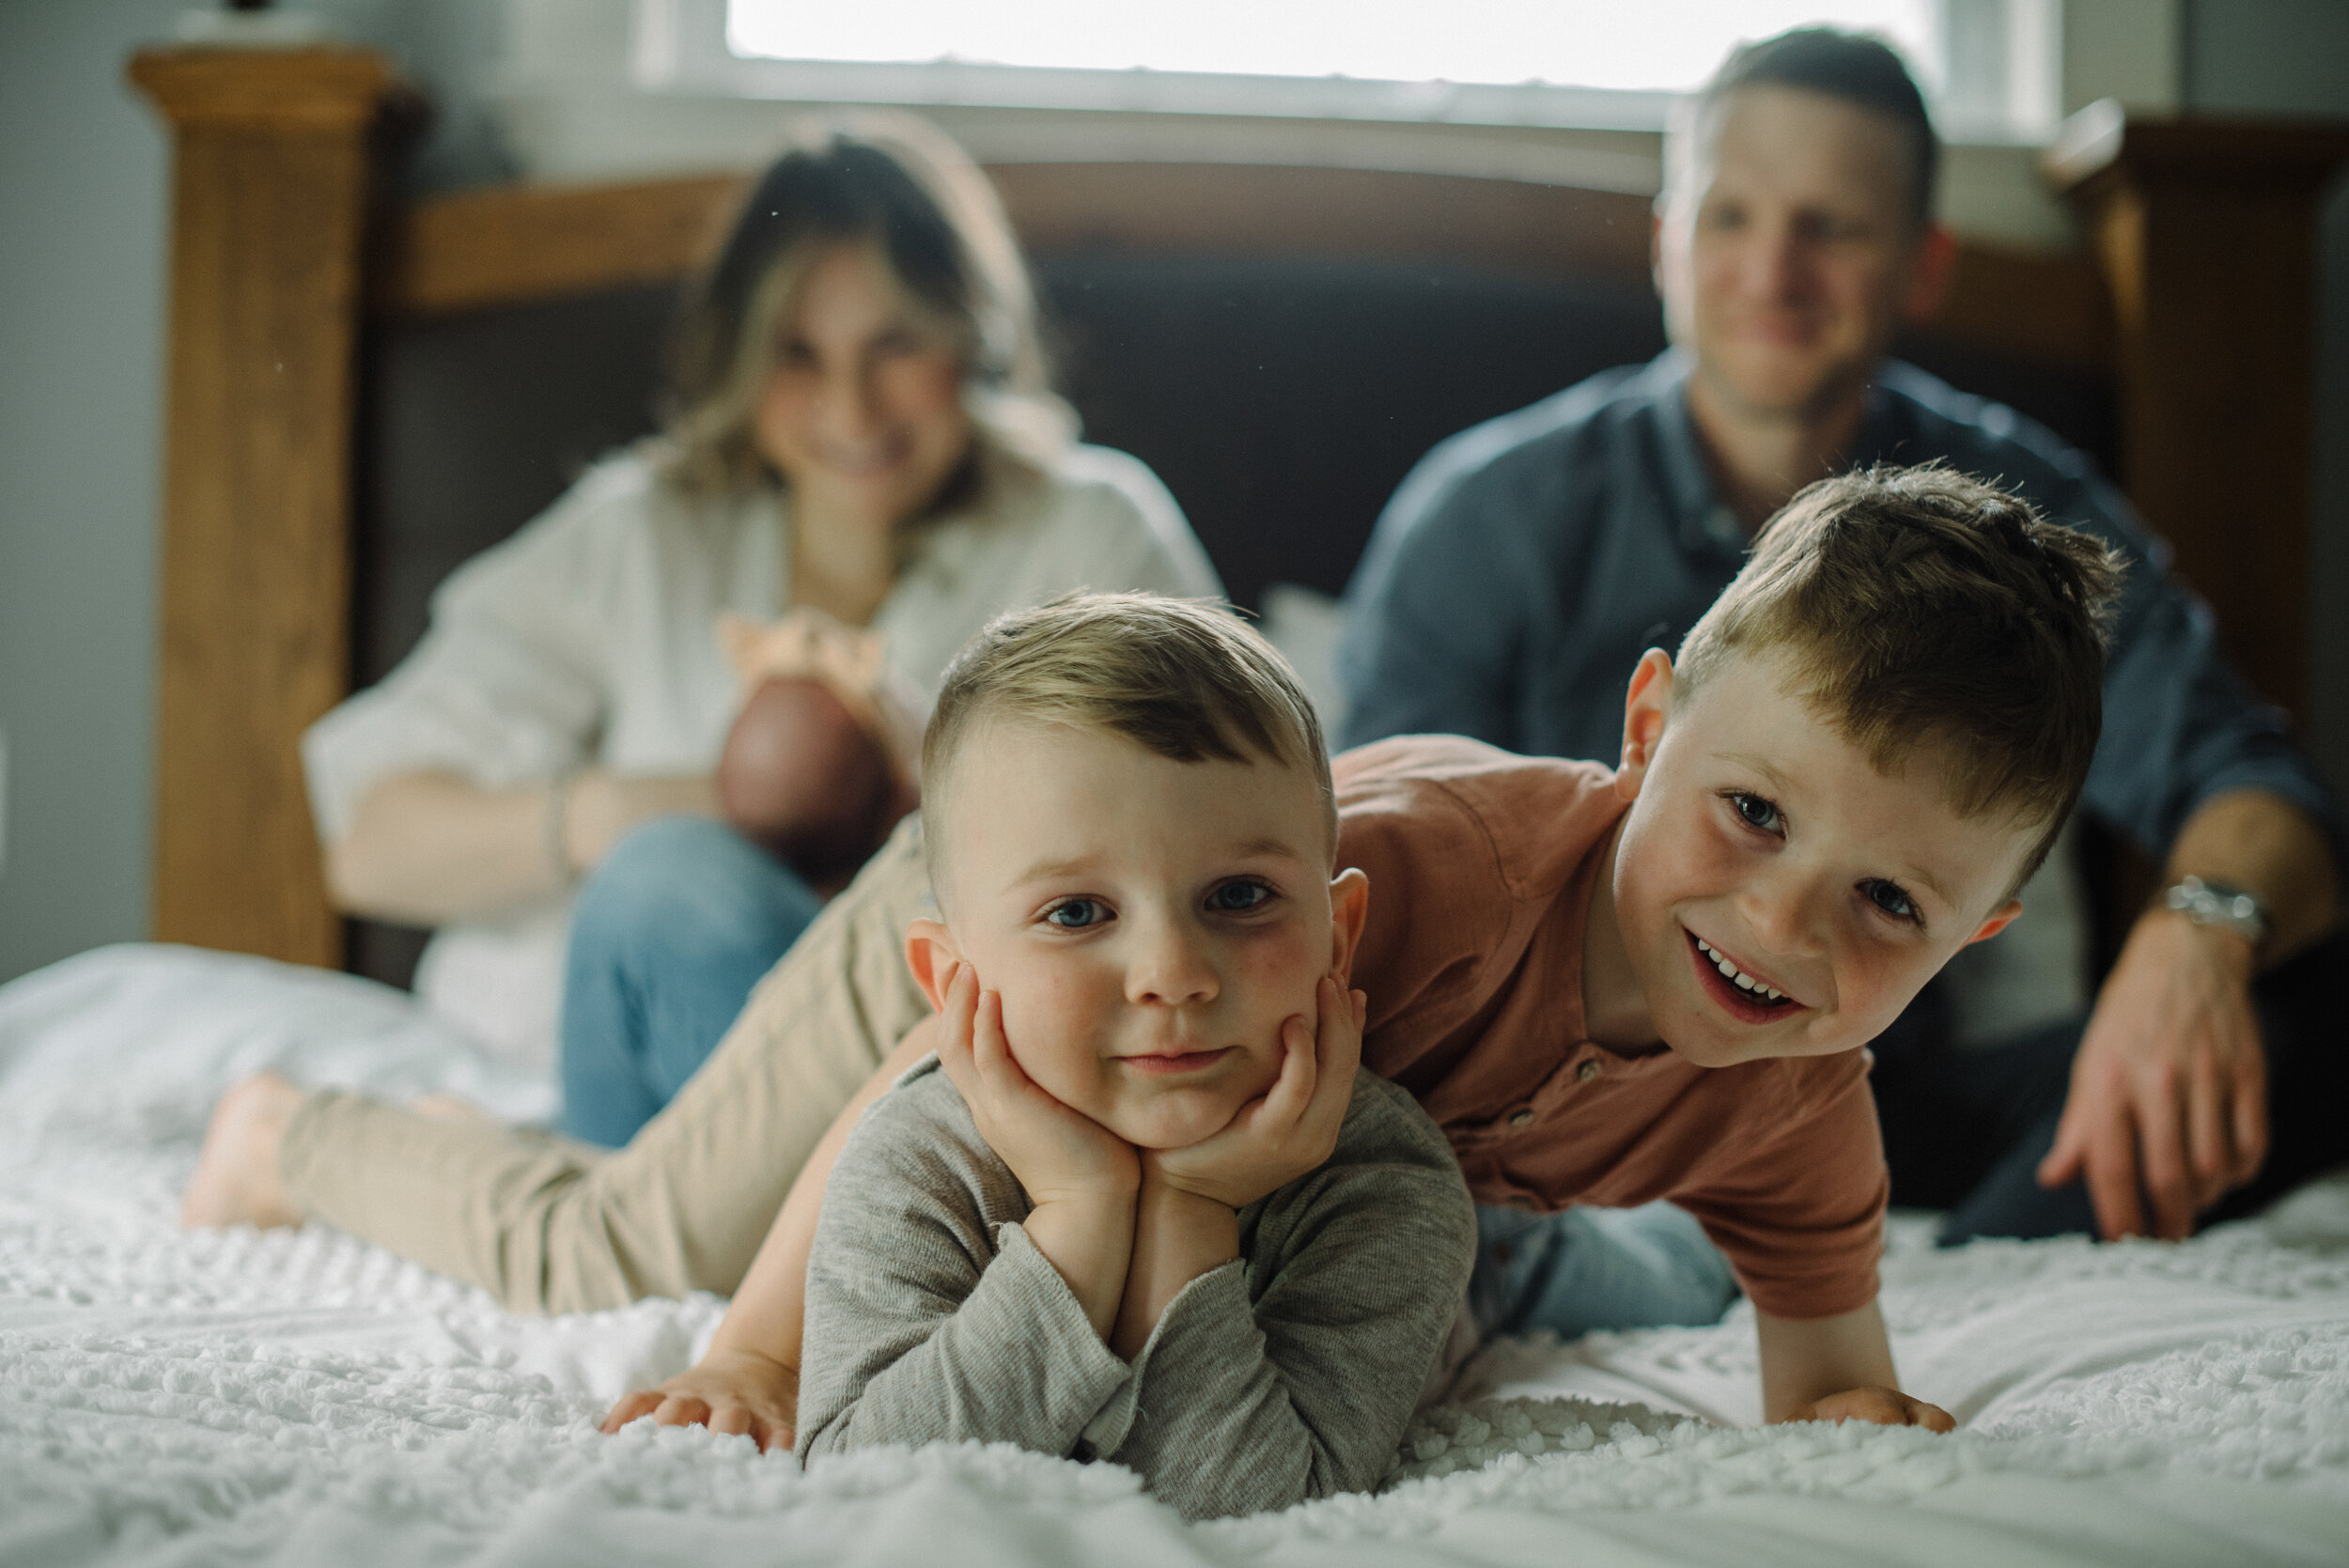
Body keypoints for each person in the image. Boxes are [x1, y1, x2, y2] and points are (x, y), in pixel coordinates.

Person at [193, 469, 2114, 1462]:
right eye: (1753, 818)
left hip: (1219, 1081)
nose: (1779, 930)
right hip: (1024, 941)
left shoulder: (1794, 1108)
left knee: (1521, 1266)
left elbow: (1829, 1382)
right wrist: (762, 1355)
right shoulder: (1400, 879)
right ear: (1642, 728)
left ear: (1975, 938)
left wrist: (1865, 1425)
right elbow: (933, 1079)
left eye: (1886, 908)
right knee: (633, 1246)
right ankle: (297, 1134)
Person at [1338, 27, 2345, 1259]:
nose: (1775, 270)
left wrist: (2197, 933)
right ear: (1666, 236)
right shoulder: (1486, 516)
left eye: (1834, 228)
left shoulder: (2021, 527)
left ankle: (1939, 1272)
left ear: (1923, 266)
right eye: (1730, 217)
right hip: (1559, 1109)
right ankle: (1638, 1260)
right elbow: (1378, 909)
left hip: (1861, 1067)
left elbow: (2257, 784)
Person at [297, 117, 1219, 1148]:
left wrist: (913, 788)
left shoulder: (1089, 528)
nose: (850, 407)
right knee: (671, 880)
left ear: (970, 339)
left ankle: (749, 1224)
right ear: (738, 359)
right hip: (655, 1084)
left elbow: (1229, 817)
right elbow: (368, 844)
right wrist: (640, 814)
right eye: (797, 354)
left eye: (894, 345)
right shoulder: (641, 531)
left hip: (939, 1058)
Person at [628, 596, 1475, 1518]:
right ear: (950, 981)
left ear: (1337, 938)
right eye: (1077, 911)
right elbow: (867, 1474)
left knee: (1594, 1265)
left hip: (1505, 1255)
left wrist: (1188, 1209)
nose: (1173, 975)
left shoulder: (1385, 1178)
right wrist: (1077, 1219)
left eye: (1239, 895)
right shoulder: (920, 1158)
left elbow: (1253, 1500)